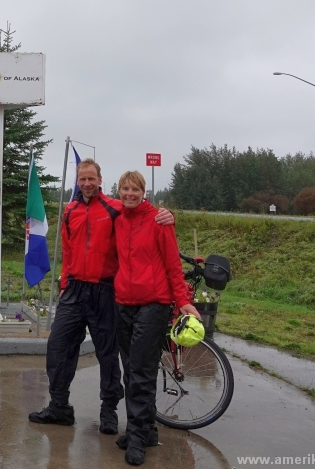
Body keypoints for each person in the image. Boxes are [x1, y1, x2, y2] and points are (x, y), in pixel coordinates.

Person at [29, 159, 173, 435]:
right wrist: (65, 282)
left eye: (91, 179)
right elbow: (68, 250)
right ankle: (59, 406)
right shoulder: (70, 210)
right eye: (82, 179)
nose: (86, 184)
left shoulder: (115, 207)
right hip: (74, 291)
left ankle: (109, 409)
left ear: (99, 180)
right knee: (57, 347)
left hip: (105, 290)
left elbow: (142, 215)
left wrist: (166, 216)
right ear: (77, 181)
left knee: (107, 354)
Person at [112, 170, 200, 466]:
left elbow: (174, 265)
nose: (129, 194)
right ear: (119, 191)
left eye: (135, 189)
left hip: (153, 303)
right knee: (131, 369)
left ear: (143, 191)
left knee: (141, 371)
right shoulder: (118, 218)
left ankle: (136, 437)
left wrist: (184, 302)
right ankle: (146, 429)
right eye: (124, 189)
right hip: (124, 302)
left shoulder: (158, 221)